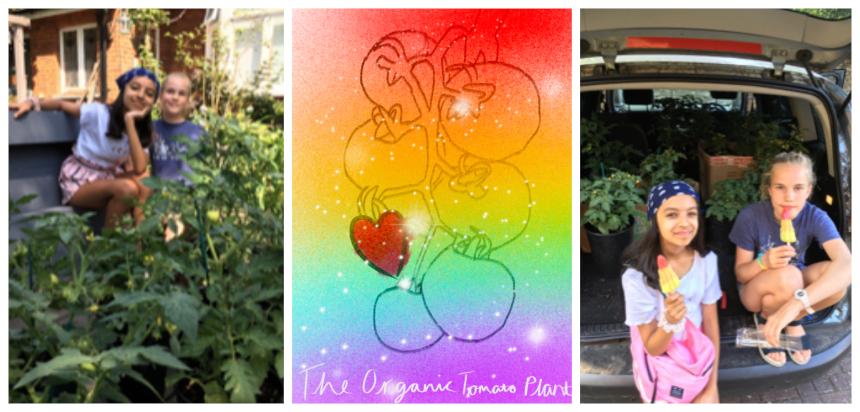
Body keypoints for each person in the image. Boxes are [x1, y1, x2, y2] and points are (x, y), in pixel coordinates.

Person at [729, 152, 850, 367]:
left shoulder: (815, 216)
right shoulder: (750, 216)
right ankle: (767, 317)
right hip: (755, 292)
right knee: (790, 275)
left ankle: (787, 318)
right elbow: (740, 273)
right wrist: (763, 262)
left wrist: (794, 306)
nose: (789, 197)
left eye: (798, 188)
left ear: (809, 191)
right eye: (780, 187)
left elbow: (848, 264)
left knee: (837, 284)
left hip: (794, 289)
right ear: (769, 190)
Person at [14, 67, 159, 228]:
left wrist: (130, 122)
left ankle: (140, 240)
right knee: (127, 189)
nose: (141, 95)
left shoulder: (142, 130)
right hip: (80, 181)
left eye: (149, 94)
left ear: (152, 102)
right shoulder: (99, 113)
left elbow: (139, 168)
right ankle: (108, 247)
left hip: (109, 179)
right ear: (123, 89)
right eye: (135, 88)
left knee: (146, 182)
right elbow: (62, 105)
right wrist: (31, 102)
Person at [621, 180, 720, 403]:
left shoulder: (707, 261)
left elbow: (711, 324)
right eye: (672, 215)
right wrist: (670, 322)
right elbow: (653, 349)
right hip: (660, 365)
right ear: (654, 220)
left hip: (696, 356)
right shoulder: (637, 277)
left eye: (691, 214)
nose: (684, 223)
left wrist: (711, 387)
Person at [150, 72, 205, 241]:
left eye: (181, 94)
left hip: (185, 199)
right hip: (158, 196)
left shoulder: (198, 133)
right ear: (160, 96)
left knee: (173, 233)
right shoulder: (151, 128)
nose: (175, 97)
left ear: (188, 100)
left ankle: (163, 264)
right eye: (170, 91)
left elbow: (203, 173)